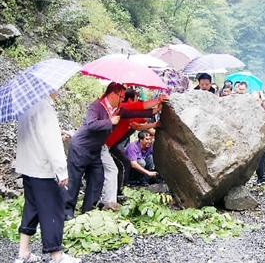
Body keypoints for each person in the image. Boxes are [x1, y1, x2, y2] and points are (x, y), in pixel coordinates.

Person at [64, 82, 157, 221]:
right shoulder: (96, 106)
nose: (122, 100)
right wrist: (110, 122)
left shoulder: (118, 109)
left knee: (97, 180)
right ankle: (67, 212)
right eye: (121, 96)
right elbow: (91, 124)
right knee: (75, 180)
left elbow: (137, 111)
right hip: (81, 147)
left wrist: (156, 109)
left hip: (96, 150)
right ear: (113, 94)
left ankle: (88, 211)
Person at [14, 90, 81, 263]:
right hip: (43, 169)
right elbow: (50, 142)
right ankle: (56, 256)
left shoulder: (27, 104)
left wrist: (56, 135)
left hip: (28, 165)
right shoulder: (44, 107)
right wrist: (61, 170)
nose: (58, 91)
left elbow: (33, 135)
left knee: (32, 207)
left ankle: (23, 253)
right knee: (53, 210)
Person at [105, 88, 165, 195]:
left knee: (120, 165)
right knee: (123, 165)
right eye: (136, 98)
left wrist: (155, 125)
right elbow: (140, 113)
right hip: (110, 144)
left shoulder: (127, 112)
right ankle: (118, 191)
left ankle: (119, 190)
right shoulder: (124, 108)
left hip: (114, 144)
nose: (137, 100)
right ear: (130, 99)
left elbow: (139, 125)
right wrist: (156, 105)